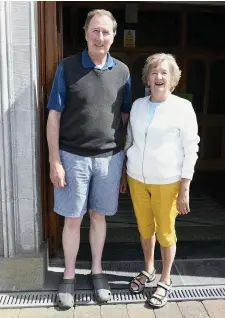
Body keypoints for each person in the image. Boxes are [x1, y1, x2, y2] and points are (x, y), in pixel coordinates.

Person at [46, 9, 131, 309]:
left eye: (106, 32)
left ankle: (96, 271)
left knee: (99, 216)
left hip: (109, 158)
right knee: (72, 219)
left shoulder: (122, 71)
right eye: (95, 30)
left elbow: (125, 117)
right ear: (85, 33)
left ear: (113, 36)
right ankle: (68, 275)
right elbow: (54, 116)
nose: (100, 37)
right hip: (73, 157)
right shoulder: (67, 68)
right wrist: (55, 160)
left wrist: (124, 164)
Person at [120, 53, 199, 308]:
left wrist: (185, 186)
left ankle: (165, 280)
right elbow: (129, 140)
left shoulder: (182, 107)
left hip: (168, 181)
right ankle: (148, 270)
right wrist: (124, 173)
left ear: (173, 78)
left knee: (165, 232)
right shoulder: (139, 106)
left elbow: (191, 147)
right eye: (154, 72)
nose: (159, 77)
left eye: (164, 73)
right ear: (147, 78)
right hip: (137, 178)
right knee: (145, 228)